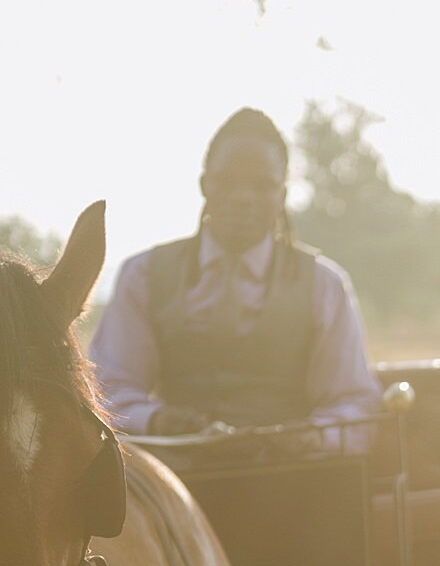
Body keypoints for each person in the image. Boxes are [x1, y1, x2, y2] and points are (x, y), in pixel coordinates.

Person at [88, 107, 381, 452]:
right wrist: (157, 420)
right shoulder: (143, 275)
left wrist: (310, 438)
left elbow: (354, 402)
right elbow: (106, 390)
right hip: (177, 481)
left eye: (262, 185)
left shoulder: (325, 285)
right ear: (204, 185)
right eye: (228, 181)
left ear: (282, 196)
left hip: (295, 480)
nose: (244, 197)